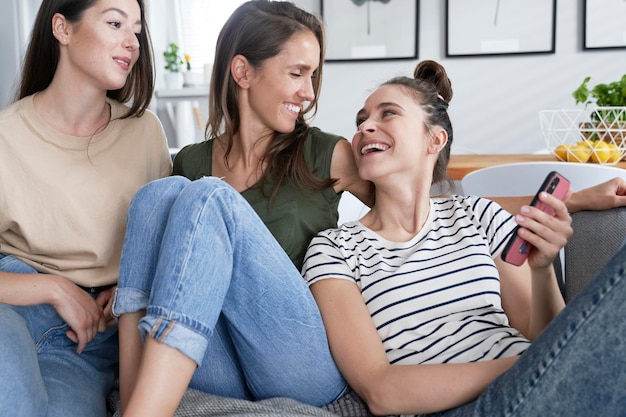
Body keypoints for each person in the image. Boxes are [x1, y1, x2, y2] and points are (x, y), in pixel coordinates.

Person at [302, 60, 626, 416]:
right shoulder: (334, 249)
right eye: (361, 121)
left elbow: (540, 334)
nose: (366, 127)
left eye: (387, 113)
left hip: (548, 388)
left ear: (434, 139)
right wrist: (537, 362)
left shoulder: (478, 215)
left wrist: (543, 269)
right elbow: (383, 392)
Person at [0, 0, 171, 416]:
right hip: (15, 307)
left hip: (93, 337)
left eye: (137, 29)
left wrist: (132, 287)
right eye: (115, 23)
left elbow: (165, 245)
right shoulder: (5, 136)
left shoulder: (144, 133)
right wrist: (54, 288)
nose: (132, 42)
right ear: (63, 28)